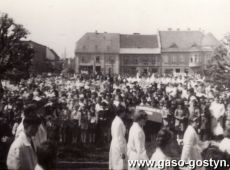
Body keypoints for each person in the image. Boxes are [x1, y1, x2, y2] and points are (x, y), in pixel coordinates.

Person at [109, 105, 127, 170]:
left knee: (115, 162)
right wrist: (122, 149)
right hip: (119, 144)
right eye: (124, 112)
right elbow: (119, 136)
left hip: (114, 144)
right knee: (120, 163)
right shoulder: (119, 122)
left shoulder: (115, 121)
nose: (125, 113)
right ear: (121, 112)